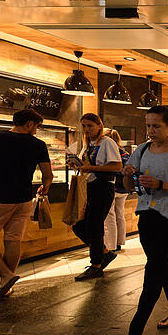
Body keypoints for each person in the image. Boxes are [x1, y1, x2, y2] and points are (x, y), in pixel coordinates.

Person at [113, 105, 168, 335]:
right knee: (161, 267)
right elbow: (129, 186)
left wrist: (161, 184)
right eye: (148, 125)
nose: (151, 130)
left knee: (152, 274)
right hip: (146, 216)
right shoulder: (141, 150)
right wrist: (127, 174)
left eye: (156, 126)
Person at [0, 109, 52, 299]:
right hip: (24, 199)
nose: (36, 130)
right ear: (29, 124)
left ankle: (6, 275)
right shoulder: (38, 145)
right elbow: (48, 175)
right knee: (12, 240)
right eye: (37, 126)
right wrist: (45, 187)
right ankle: (6, 286)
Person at [69, 113, 122, 281]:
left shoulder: (107, 142)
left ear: (99, 125)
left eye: (90, 125)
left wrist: (91, 168)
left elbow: (117, 166)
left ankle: (96, 265)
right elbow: (88, 164)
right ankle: (105, 253)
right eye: (84, 126)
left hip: (104, 187)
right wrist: (76, 163)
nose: (86, 129)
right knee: (79, 226)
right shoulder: (88, 144)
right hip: (90, 186)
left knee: (94, 226)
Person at [103, 129, 130, 252]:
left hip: (113, 187)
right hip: (123, 189)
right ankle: (119, 242)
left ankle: (111, 245)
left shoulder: (110, 152)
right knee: (120, 214)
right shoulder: (124, 153)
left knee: (110, 216)